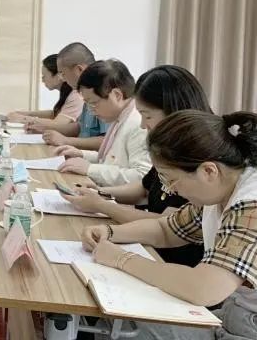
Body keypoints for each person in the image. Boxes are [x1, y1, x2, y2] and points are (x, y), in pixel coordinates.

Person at [81, 110, 257, 339]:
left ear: (208, 171)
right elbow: (167, 229)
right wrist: (111, 231)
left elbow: (204, 288)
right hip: (235, 313)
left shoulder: (250, 205)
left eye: (171, 180)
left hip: (246, 326)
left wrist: (121, 259)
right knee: (127, 324)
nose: (170, 190)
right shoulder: (221, 189)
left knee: (131, 329)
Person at [62, 65, 209, 266]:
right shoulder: (170, 146)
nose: (142, 125)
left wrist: (101, 205)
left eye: (147, 116)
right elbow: (145, 188)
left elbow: (167, 224)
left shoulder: (198, 157)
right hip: (149, 248)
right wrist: (101, 193)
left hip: (172, 260)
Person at [54, 59, 150, 186]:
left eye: (94, 103)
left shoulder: (138, 124)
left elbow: (142, 177)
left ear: (117, 95)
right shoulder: (120, 116)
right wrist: (82, 154)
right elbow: (113, 160)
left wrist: (90, 169)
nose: (91, 110)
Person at [41, 42, 110, 151]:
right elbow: (80, 126)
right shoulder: (84, 91)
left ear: (79, 70)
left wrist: (66, 141)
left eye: (63, 73)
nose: (62, 79)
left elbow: (109, 141)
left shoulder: (103, 91)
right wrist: (47, 130)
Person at [8, 54, 83, 131]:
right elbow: (56, 114)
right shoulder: (68, 93)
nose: (42, 80)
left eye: (44, 76)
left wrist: (23, 118)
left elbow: (58, 124)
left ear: (59, 76)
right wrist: (26, 114)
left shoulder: (76, 96)